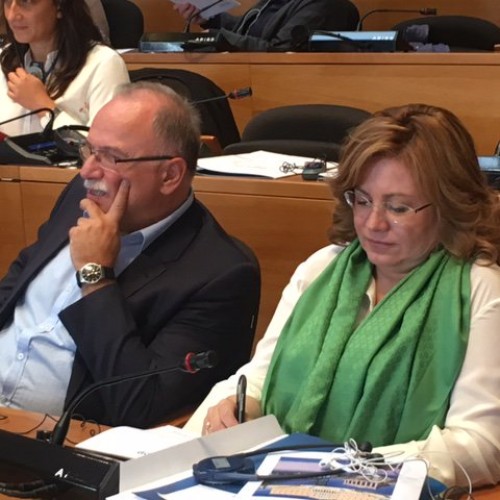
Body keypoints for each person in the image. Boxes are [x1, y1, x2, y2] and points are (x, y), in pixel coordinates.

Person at [184, 103, 500, 487]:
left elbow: (482, 446)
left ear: (450, 205)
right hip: (276, 485)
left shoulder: (480, 287)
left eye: (399, 207)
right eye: (362, 200)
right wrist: (240, 407)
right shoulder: (322, 267)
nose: (373, 223)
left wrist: (346, 467)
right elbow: (259, 376)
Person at [0, 81, 260, 428]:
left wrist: (96, 275)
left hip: (57, 439)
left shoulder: (221, 273)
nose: (87, 171)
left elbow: (142, 405)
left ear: (170, 175)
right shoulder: (85, 192)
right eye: (88, 149)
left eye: (111, 157)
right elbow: (20, 280)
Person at [0, 0, 128, 136]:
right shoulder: (3, 58)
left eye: (26, 1)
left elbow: (107, 145)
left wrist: (43, 106)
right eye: (7, 2)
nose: (12, 15)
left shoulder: (103, 63)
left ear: (60, 6)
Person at [174, 0, 344, 52]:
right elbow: (244, 30)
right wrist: (208, 18)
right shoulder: (272, 2)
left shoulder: (321, 4)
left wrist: (218, 37)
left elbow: (280, 51)